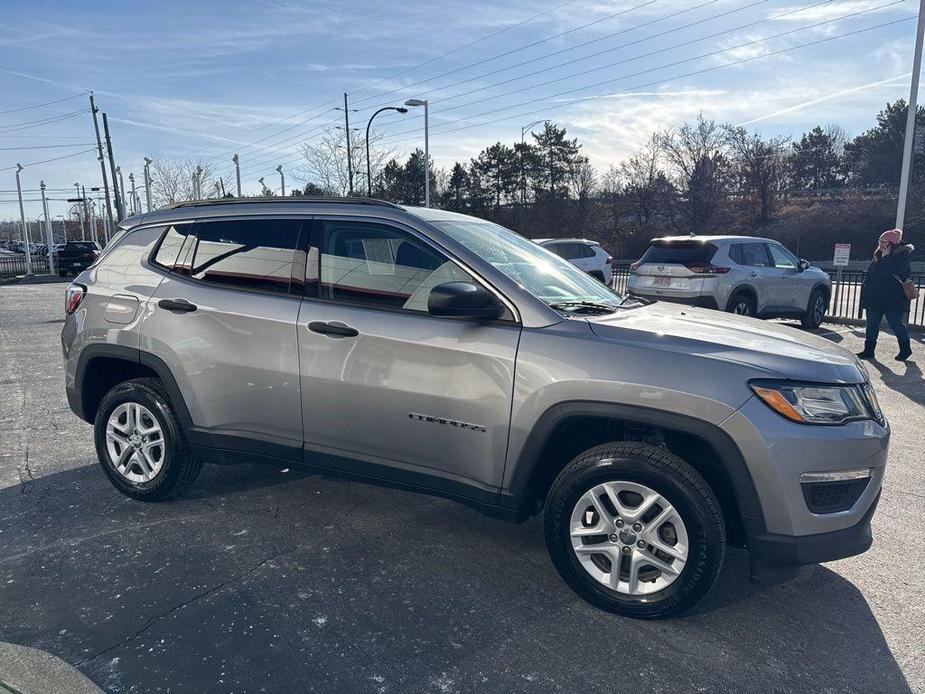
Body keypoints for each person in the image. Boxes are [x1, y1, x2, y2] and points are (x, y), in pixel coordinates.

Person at [857, 228, 914, 361]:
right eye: (880, 241)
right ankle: (869, 350)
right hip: (875, 296)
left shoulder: (902, 255)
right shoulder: (878, 254)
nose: (880, 244)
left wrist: (886, 258)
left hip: (894, 297)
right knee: (871, 324)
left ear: (892, 243)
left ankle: (906, 349)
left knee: (896, 324)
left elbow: (901, 272)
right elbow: (873, 272)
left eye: (883, 242)